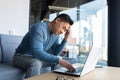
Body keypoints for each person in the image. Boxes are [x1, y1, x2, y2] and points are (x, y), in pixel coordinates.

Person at [12, 14, 75, 78]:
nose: (62, 31)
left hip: (35, 58)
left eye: (65, 30)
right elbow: (37, 52)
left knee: (57, 61)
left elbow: (55, 53)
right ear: (57, 20)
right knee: (36, 63)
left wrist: (66, 39)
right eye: (63, 28)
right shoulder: (39, 28)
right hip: (20, 56)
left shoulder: (55, 34)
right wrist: (59, 60)